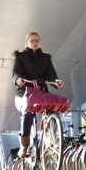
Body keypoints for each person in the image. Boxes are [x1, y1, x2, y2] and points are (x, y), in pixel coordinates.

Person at [11, 31, 63, 159]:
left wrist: (56, 82)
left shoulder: (46, 58)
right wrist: (18, 80)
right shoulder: (20, 57)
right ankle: (25, 145)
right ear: (27, 43)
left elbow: (51, 75)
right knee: (28, 112)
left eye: (37, 40)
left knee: (53, 111)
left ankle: (54, 138)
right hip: (24, 93)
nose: (35, 42)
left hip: (41, 94)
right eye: (32, 40)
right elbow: (15, 73)